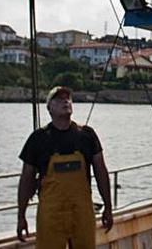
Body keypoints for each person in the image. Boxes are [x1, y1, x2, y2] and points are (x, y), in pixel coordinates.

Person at [16, 86, 113, 248]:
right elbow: (26, 179)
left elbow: (101, 172)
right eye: (59, 99)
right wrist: (21, 216)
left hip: (82, 213)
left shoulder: (87, 135)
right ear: (49, 108)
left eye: (68, 98)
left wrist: (108, 207)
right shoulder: (38, 139)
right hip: (51, 215)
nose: (65, 101)